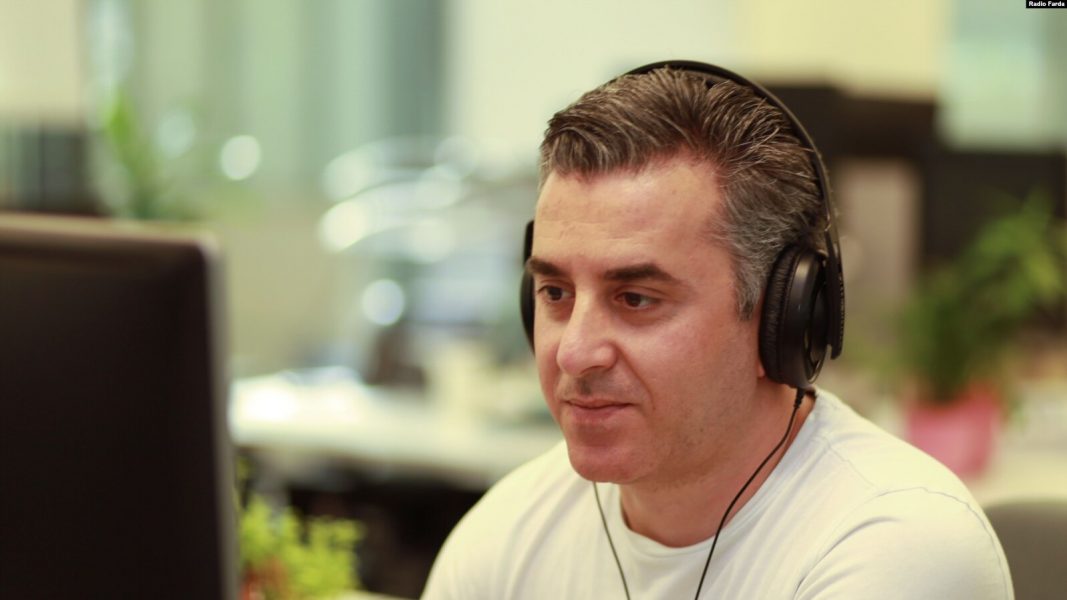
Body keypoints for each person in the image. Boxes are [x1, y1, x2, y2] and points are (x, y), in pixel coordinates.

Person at [422, 61, 1012, 599]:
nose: (574, 352)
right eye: (556, 293)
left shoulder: (899, 546)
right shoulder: (503, 538)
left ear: (781, 320)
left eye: (635, 299)